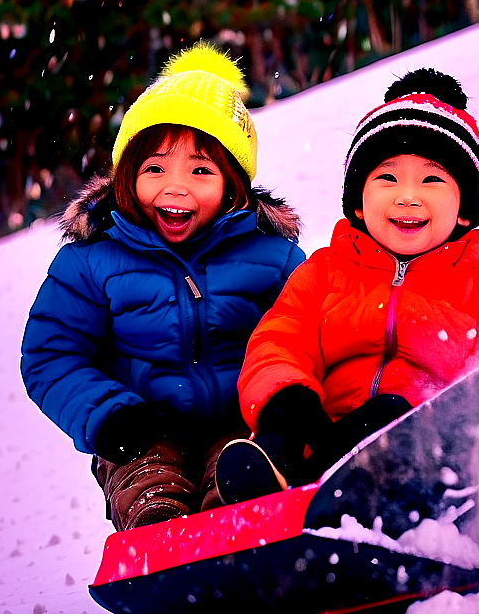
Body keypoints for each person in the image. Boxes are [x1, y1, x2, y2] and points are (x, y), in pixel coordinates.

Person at [217, 67, 479, 505]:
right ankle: (274, 482)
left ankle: (322, 492)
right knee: (286, 417)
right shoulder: (324, 272)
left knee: (391, 413)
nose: (408, 196)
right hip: (324, 437)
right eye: (387, 178)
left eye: (432, 179)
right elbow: (279, 340)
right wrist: (286, 397)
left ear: (465, 209)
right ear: (359, 205)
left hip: (429, 458)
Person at [20, 42, 305, 530]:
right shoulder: (93, 259)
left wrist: (285, 403)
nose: (175, 187)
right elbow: (52, 355)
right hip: (140, 431)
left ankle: (242, 525)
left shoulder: (271, 256)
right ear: (126, 176)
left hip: (243, 424)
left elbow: (305, 335)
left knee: (241, 476)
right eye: (154, 168)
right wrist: (109, 415)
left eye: (200, 170)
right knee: (151, 483)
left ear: (233, 184)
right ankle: (160, 541)